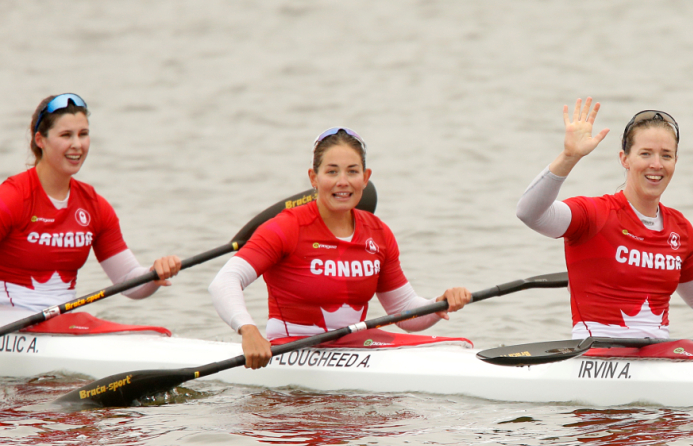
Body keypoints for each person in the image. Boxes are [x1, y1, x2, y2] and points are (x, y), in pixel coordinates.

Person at [515, 98, 693, 356]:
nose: (656, 164)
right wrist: (569, 157)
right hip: (597, 360)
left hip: (657, 362)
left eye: (666, 156)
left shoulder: (679, 229)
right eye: (645, 154)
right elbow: (530, 213)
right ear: (625, 160)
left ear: (675, 162)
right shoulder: (594, 214)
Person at [209, 127, 471, 369]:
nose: (343, 181)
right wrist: (248, 330)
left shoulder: (378, 232)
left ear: (366, 178)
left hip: (356, 348)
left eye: (352, 171)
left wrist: (440, 304)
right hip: (294, 350)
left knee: (457, 346)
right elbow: (224, 281)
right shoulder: (285, 227)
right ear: (314, 177)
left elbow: (405, 313)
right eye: (332, 171)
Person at [0, 93, 181, 324]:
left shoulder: (94, 206)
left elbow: (127, 280)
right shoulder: (12, 198)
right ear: (40, 140)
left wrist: (154, 274)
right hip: (10, 325)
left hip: (62, 324)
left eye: (83, 134)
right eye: (66, 135)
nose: (77, 144)